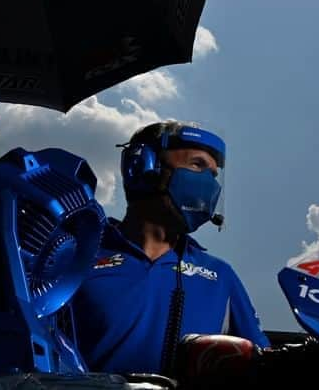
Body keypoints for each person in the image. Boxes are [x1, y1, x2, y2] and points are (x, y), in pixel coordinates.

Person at [70, 121, 270, 376]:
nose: (209, 183)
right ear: (143, 166)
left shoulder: (221, 276)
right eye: (197, 164)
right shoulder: (76, 256)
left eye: (213, 175)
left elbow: (262, 365)